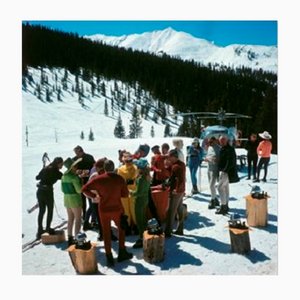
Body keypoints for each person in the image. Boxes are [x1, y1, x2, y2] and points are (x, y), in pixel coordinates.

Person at [82, 160, 133, 267]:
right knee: (121, 229)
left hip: (103, 209)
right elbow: (125, 194)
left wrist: (94, 196)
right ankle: (122, 252)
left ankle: (109, 256)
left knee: (106, 232)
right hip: (117, 208)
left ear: (104, 168)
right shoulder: (119, 178)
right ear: (114, 168)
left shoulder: (99, 179)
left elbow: (84, 189)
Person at [35, 157, 64, 239]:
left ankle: (39, 230)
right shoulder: (56, 171)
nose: (62, 165)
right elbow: (64, 177)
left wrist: (43, 171)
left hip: (40, 191)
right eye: (61, 164)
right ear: (58, 163)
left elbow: (37, 177)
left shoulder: (46, 168)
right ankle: (48, 228)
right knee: (50, 210)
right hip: (48, 192)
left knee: (41, 211)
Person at [61, 157, 83, 246]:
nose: (76, 167)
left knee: (70, 219)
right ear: (71, 167)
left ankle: (70, 238)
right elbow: (79, 190)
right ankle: (78, 239)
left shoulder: (63, 176)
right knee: (78, 219)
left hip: (67, 199)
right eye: (74, 166)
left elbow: (62, 189)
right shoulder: (74, 177)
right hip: (75, 200)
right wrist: (81, 181)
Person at [164, 149, 186, 237]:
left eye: (170, 157)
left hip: (176, 192)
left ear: (174, 157)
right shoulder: (181, 164)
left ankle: (168, 232)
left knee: (171, 212)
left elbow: (179, 180)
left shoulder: (176, 166)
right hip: (180, 191)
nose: (168, 158)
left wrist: (176, 190)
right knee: (179, 209)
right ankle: (180, 229)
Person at [117, 152, 139, 235]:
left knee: (126, 210)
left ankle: (128, 227)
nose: (129, 162)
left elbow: (120, 181)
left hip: (125, 191)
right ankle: (135, 226)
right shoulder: (135, 168)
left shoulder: (120, 169)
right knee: (133, 209)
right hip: (133, 191)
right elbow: (135, 179)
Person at [216, 135, 238, 215]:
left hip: (226, 172)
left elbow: (230, 162)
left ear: (226, 140)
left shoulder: (229, 149)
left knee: (220, 188)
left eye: (223, 140)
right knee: (225, 188)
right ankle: (226, 205)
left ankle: (223, 206)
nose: (221, 142)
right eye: (220, 141)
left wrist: (224, 171)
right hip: (224, 171)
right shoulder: (223, 148)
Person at [132, 159, 151, 248]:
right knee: (143, 218)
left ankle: (141, 238)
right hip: (145, 200)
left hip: (140, 201)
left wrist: (130, 193)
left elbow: (138, 192)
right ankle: (145, 234)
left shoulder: (141, 179)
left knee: (139, 221)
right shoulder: (147, 176)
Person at [72, 145, 95, 221]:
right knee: (82, 202)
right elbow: (71, 169)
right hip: (79, 183)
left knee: (91, 201)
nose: (76, 155)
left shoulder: (89, 157)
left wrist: (87, 172)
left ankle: (93, 219)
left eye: (77, 153)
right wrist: (78, 172)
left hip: (89, 182)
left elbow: (94, 167)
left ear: (81, 151)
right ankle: (85, 217)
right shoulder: (74, 159)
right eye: (75, 153)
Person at [204, 137, 220, 209]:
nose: (210, 143)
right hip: (209, 168)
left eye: (211, 141)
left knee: (211, 185)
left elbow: (219, 159)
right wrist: (206, 158)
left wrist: (214, 160)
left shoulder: (218, 148)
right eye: (209, 141)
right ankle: (215, 198)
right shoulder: (209, 147)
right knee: (211, 185)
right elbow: (208, 156)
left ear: (215, 141)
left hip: (215, 169)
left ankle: (213, 200)